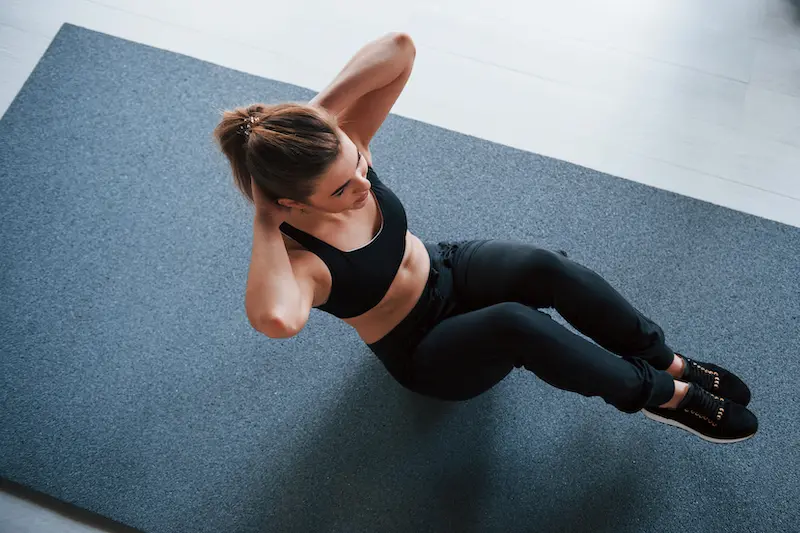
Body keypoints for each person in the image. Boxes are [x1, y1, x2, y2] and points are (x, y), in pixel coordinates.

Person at [213, 32, 757, 444]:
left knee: (546, 266)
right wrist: (263, 218)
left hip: (447, 268)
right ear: (290, 202)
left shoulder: (343, 153)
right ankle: (664, 396)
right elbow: (276, 321)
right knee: (517, 324)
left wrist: (318, 118)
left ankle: (666, 360)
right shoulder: (300, 259)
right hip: (424, 347)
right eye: (341, 189)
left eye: (359, 165)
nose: (363, 182)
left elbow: (399, 49)